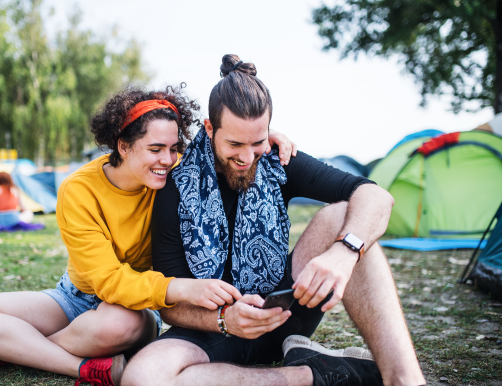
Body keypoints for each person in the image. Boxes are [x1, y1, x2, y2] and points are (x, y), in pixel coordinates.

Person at [0, 85, 295, 385]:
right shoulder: (78, 190)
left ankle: (14, 347)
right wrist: (183, 288)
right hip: (77, 296)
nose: (168, 160)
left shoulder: (180, 175)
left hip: (137, 309)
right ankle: (81, 367)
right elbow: (107, 280)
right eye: (155, 149)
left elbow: (226, 145)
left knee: (116, 324)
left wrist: (264, 142)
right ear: (123, 146)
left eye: (173, 149)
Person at [122, 55, 426, 386]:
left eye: (257, 142)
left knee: (343, 215)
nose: (247, 156)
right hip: (213, 327)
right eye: (234, 144)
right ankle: (313, 374)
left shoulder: (279, 159)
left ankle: (404, 378)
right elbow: (170, 305)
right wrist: (227, 320)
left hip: (284, 310)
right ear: (210, 128)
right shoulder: (175, 186)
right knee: (142, 377)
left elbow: (377, 197)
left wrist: (344, 252)